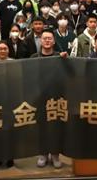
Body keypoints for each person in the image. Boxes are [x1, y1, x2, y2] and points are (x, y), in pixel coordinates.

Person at [31, 29, 66, 169]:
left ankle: (55, 154)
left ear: (54, 41)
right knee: (41, 127)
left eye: (49, 38)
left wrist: (66, 61)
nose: (47, 40)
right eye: (44, 38)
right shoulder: (34, 57)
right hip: (39, 97)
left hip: (56, 98)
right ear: (40, 41)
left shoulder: (60, 56)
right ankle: (43, 154)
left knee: (56, 127)